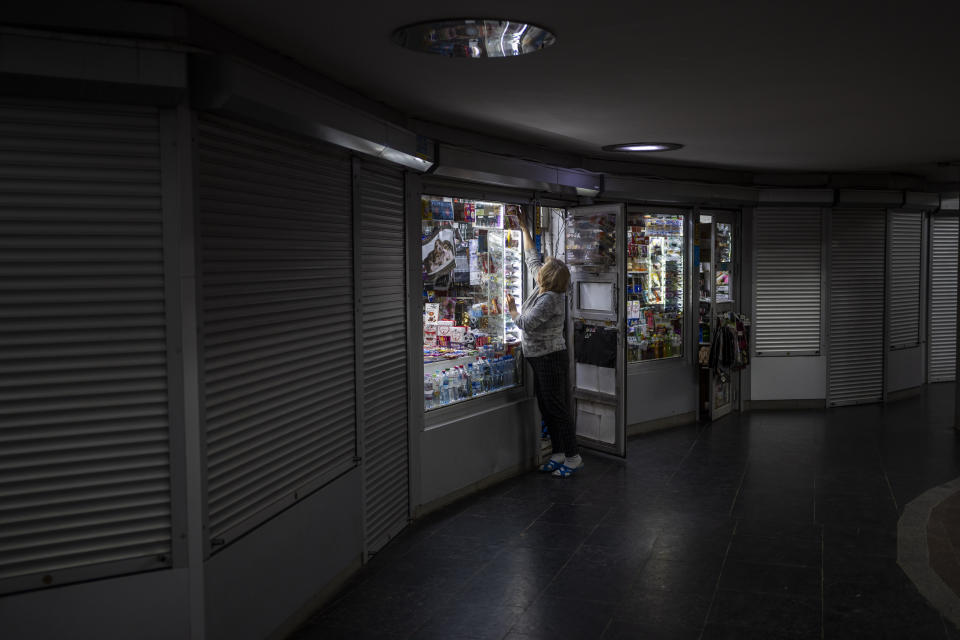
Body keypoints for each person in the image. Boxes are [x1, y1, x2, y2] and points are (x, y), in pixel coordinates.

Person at [505, 211, 582, 478]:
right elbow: (531, 259)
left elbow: (526, 323)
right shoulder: (545, 288)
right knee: (547, 406)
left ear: (547, 279)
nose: (538, 273)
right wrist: (525, 229)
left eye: (543, 272)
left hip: (549, 358)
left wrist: (513, 310)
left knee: (557, 407)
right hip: (540, 357)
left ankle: (572, 456)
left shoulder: (551, 299)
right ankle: (559, 453)